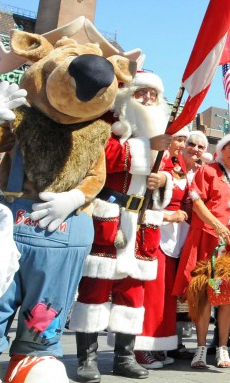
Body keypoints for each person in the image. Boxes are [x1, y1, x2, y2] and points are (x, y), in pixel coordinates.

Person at [71, 71, 171, 382]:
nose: (148, 99)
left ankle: (124, 357)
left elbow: (167, 171)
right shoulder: (105, 122)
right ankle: (87, 359)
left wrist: (164, 180)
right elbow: (106, 157)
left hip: (142, 222)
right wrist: (148, 146)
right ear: (129, 95)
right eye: (143, 93)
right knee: (95, 288)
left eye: (153, 95)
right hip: (110, 215)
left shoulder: (158, 134)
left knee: (132, 293)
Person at [173, 132, 230, 369]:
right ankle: (200, 348)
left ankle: (222, 347)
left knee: (227, 297)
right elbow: (197, 202)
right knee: (204, 295)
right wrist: (218, 226)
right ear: (222, 149)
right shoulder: (207, 171)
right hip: (207, 241)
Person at [145, 130, 207, 364]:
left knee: (174, 294)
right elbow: (154, 187)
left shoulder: (201, 172)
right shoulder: (166, 166)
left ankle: (169, 343)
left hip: (185, 240)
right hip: (160, 234)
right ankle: (145, 345)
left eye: (200, 147)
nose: (194, 149)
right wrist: (168, 216)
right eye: (189, 143)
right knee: (155, 292)